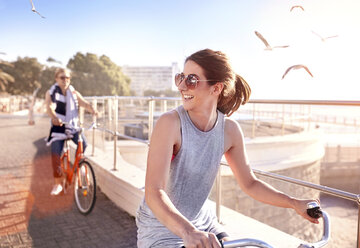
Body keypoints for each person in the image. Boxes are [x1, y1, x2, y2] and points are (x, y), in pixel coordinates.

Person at [136, 49, 320, 248]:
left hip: (203, 223)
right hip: (161, 226)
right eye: (180, 78)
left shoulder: (229, 130)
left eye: (191, 80)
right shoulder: (170, 123)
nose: (181, 86)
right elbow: (154, 191)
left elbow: (250, 183)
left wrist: (293, 203)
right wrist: (188, 232)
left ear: (216, 89)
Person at [45, 68, 97, 196]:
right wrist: (54, 117)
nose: (65, 80)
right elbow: (50, 107)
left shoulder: (73, 92)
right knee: (56, 154)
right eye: (62, 77)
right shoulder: (51, 92)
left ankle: (79, 167)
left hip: (72, 126)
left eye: (68, 78)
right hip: (59, 127)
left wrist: (93, 110)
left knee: (83, 144)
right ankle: (57, 183)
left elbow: (83, 103)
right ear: (56, 79)